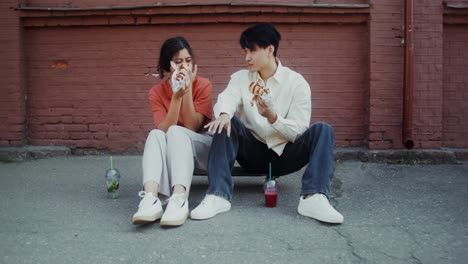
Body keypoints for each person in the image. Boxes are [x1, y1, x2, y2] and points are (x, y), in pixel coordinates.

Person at [190, 23, 344, 224]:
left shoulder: (296, 83)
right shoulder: (241, 78)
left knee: (323, 129)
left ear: (270, 49)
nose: (247, 57)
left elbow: (298, 131)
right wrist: (224, 114)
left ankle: (313, 198)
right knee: (227, 121)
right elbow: (227, 97)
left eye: (252, 50)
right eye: (245, 51)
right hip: (252, 153)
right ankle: (218, 195)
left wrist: (274, 118)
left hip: (286, 155)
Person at [132, 36, 213, 227]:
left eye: (188, 60)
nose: (184, 66)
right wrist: (176, 97)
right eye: (178, 62)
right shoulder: (156, 92)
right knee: (155, 134)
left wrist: (187, 90)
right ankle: (151, 198)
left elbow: (192, 126)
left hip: (202, 148)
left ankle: (179, 197)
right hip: (174, 151)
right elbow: (164, 130)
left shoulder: (203, 85)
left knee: (177, 131)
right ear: (168, 66)